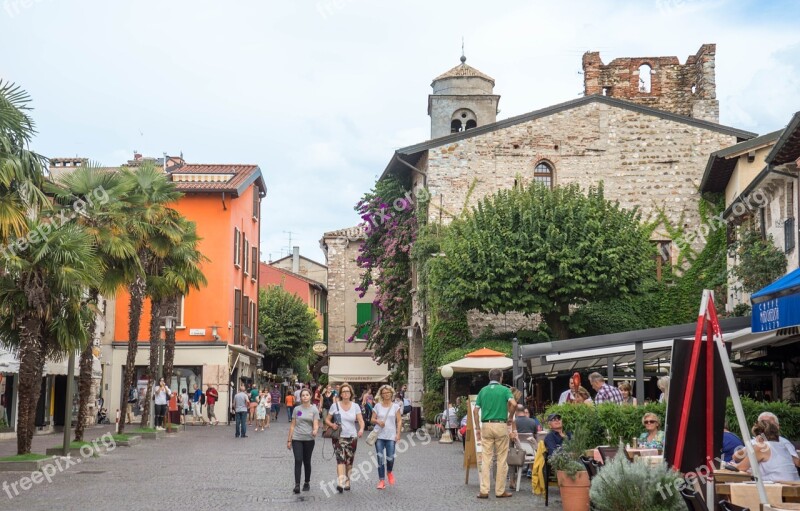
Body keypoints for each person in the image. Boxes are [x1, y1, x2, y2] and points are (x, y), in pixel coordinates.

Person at [472, 368, 517, 499]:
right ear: (501, 378)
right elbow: (513, 404)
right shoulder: (505, 390)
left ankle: (484, 490)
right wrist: (510, 417)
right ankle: (499, 490)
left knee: (486, 459)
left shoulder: (483, 391)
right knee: (502, 459)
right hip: (500, 424)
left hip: (486, 424)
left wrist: (477, 428)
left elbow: (475, 411)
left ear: (489, 377)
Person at [323, 382, 364, 493]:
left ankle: (347, 481)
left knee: (349, 461)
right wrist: (332, 425)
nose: (346, 393)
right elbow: (327, 419)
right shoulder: (334, 405)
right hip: (338, 436)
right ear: (340, 394)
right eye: (343, 391)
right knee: (340, 459)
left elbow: (361, 421)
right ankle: (341, 482)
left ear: (351, 393)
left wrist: (360, 429)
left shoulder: (355, 406)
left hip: (352, 436)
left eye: (347, 391)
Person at [733, 420, 800, 482]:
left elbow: (741, 467)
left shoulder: (762, 447)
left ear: (759, 437)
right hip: (794, 484)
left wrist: (732, 465)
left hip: (778, 486)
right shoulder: (782, 446)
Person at [287, 388, 320, 493]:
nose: (305, 397)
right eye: (303, 395)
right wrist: (289, 440)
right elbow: (292, 425)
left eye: (307, 395)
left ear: (310, 396)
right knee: (298, 460)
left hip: (309, 439)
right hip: (297, 438)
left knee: (307, 461)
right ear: (300, 397)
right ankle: (297, 484)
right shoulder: (297, 409)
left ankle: (306, 482)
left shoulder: (314, 410)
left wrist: (315, 430)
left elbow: (316, 424)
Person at [371, 384, 402, 490]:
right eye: (384, 393)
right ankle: (381, 480)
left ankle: (389, 472)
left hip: (391, 435)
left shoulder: (395, 406)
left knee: (390, 458)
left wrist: (398, 434)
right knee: (380, 458)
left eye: (388, 392)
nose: (386, 394)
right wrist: (378, 421)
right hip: (379, 435)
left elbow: (399, 420)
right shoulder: (377, 406)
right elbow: (372, 419)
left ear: (391, 393)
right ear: (381, 395)